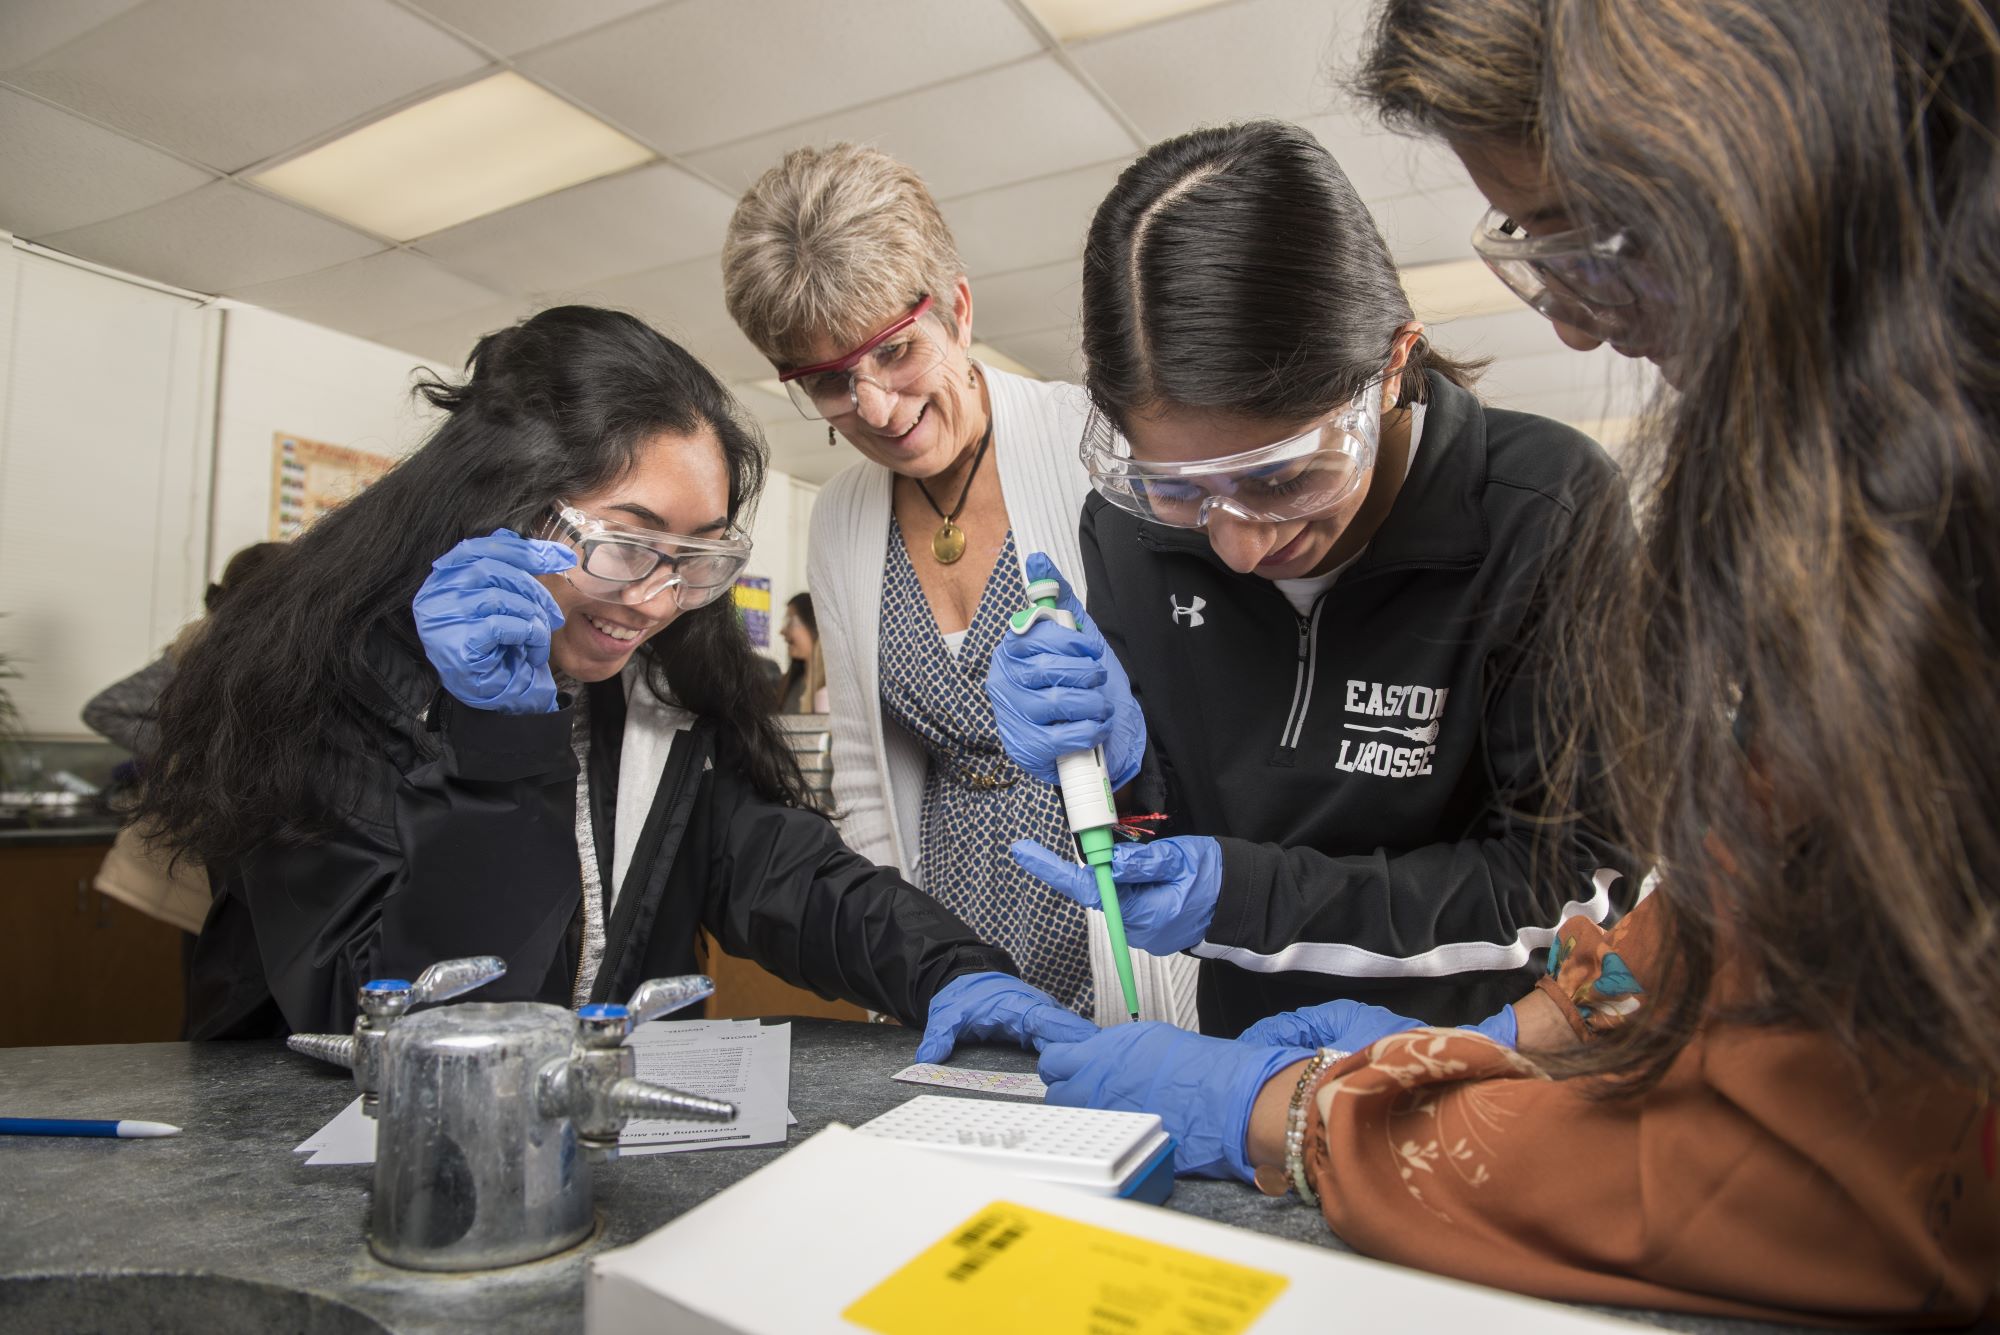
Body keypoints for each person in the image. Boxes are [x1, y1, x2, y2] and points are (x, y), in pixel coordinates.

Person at [1029, 0, 2000, 1324]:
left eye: (1598, 237)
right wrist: (1117, 775)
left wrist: (1310, 1111)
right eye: (1184, 492)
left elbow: (1862, 1167)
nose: (1585, 330)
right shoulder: (1863, 477)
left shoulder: (1576, 507)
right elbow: (1738, 922)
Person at [134, 305, 1093, 1069]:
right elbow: (417, 1026)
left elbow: (787, 875)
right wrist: (501, 745)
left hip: (579, 1140)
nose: (657, 599)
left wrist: (954, 971)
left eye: (695, 557)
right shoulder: (333, 685)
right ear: (504, 508)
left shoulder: (648, 689)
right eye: (628, 543)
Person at [989, 121, 1630, 1037]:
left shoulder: (1545, 510)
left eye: (1282, 478)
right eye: (1180, 487)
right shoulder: (1130, 531)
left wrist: (1248, 896)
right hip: (1241, 1065)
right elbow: (1157, 837)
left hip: (1480, 1060)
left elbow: (1573, 883)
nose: (1238, 547)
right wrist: (1113, 775)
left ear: (1393, 367)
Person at [722, 144, 1196, 1028]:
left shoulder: (1097, 443)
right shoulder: (842, 517)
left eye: (895, 351)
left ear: (960, 310)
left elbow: (1201, 717)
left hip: (1116, 923)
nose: (874, 407)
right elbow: (864, 774)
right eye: (827, 381)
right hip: (949, 942)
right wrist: (900, 974)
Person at [776, 593, 828, 714]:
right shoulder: (789, 684)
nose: (782, 631)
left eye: (790, 622)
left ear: (814, 624)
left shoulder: (832, 691)